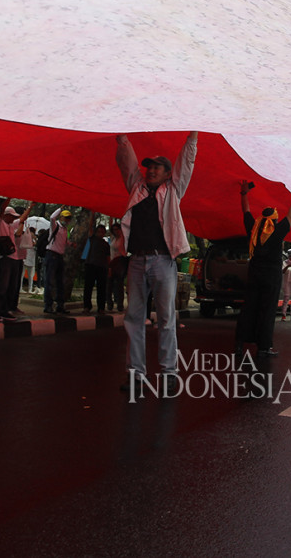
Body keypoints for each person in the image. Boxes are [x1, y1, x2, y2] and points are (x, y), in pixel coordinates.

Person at [116, 131, 198, 391]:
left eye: (157, 167)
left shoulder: (174, 191)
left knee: (166, 319)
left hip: (163, 262)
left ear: (167, 173)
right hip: (137, 262)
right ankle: (136, 375)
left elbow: (186, 162)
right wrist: (122, 137)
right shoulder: (136, 188)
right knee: (134, 318)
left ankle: (169, 373)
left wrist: (193, 136)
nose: (151, 170)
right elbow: (127, 161)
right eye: (149, 166)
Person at [235, 183, 291, 357]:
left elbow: (246, 211)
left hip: (254, 273)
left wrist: (244, 193)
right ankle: (264, 347)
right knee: (267, 309)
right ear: (274, 220)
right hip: (271, 276)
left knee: (249, 307)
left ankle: (240, 343)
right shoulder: (277, 231)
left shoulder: (253, 228)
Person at [0, 201, 32, 321]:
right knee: (2, 286)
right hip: (4, 258)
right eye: (12, 216)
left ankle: (4, 310)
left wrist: (30, 207)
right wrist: (8, 197)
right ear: (6, 215)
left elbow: (22, 218)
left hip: (14, 257)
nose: (14, 218)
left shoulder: (11, 225)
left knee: (10, 287)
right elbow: (1, 210)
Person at [44, 208, 73, 314]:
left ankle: (60, 305)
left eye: (69, 219)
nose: (67, 220)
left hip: (60, 256)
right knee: (50, 281)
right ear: (61, 217)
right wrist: (61, 208)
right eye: (66, 218)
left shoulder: (65, 230)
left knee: (60, 282)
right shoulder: (55, 226)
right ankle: (48, 305)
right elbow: (52, 217)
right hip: (52, 255)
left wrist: (70, 244)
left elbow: (64, 241)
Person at [82, 218, 111, 313]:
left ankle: (101, 307)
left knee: (101, 288)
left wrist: (109, 267)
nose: (100, 233)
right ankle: (87, 306)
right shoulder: (92, 239)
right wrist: (92, 215)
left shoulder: (106, 244)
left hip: (102, 267)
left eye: (102, 232)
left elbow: (108, 257)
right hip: (91, 264)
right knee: (88, 287)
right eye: (99, 231)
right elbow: (90, 227)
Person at [106, 222, 128, 312]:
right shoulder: (113, 238)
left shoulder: (123, 237)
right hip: (112, 261)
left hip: (120, 261)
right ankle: (109, 304)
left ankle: (120, 305)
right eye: (114, 230)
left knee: (119, 284)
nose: (116, 231)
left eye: (117, 229)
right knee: (109, 284)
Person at [22, 227, 38, 294]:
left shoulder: (35, 239)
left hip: (32, 259)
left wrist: (35, 240)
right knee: (21, 274)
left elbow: (36, 247)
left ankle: (30, 289)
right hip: (25, 258)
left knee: (31, 275)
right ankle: (20, 288)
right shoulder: (24, 238)